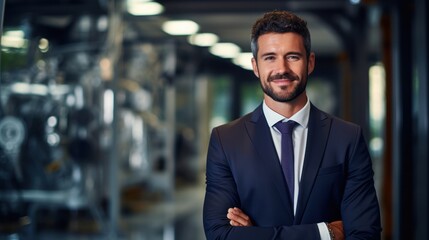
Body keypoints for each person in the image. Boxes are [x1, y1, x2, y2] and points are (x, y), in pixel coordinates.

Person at [202, 10, 382, 240]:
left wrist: (255, 235)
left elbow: (366, 234)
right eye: (270, 57)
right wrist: (324, 232)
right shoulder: (226, 140)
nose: (282, 69)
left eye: (293, 56)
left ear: (310, 62)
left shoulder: (347, 137)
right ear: (255, 66)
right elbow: (219, 235)